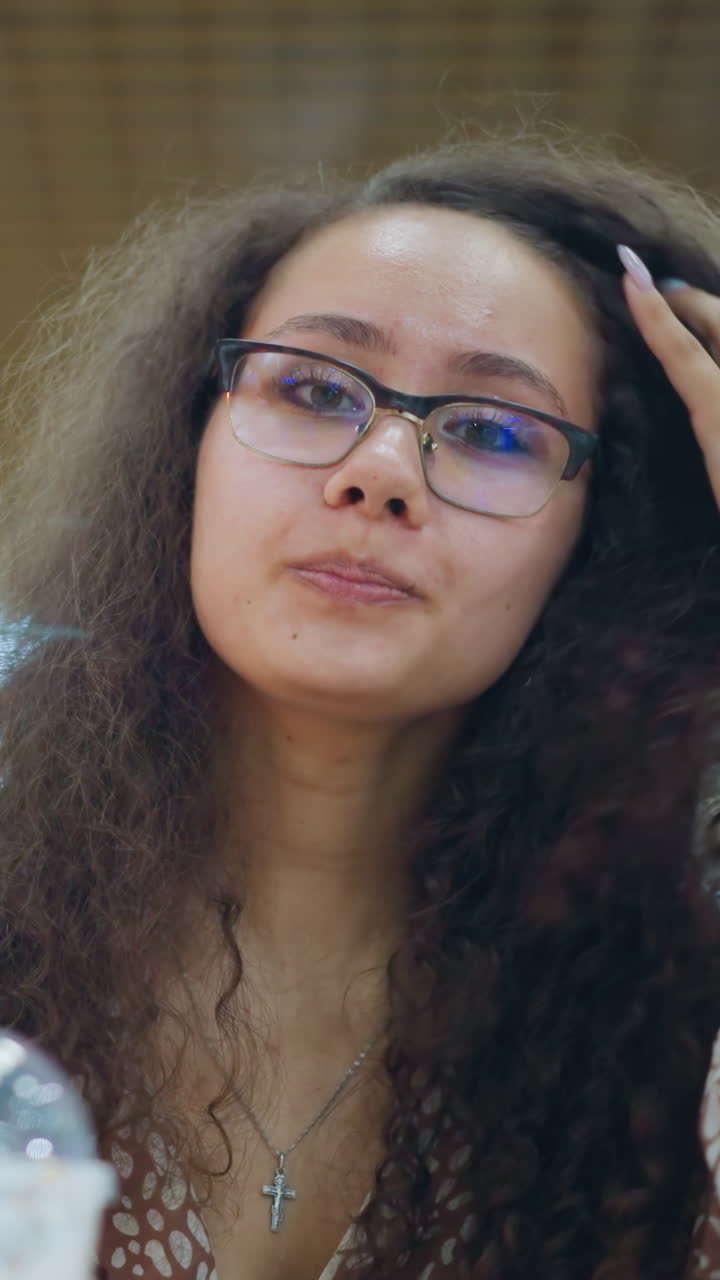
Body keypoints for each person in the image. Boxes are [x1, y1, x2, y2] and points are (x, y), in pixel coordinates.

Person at [2, 128, 720, 1280]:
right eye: (311, 386)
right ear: (185, 451)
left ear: (598, 540)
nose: (379, 468)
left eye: (492, 431)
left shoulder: (679, 993)